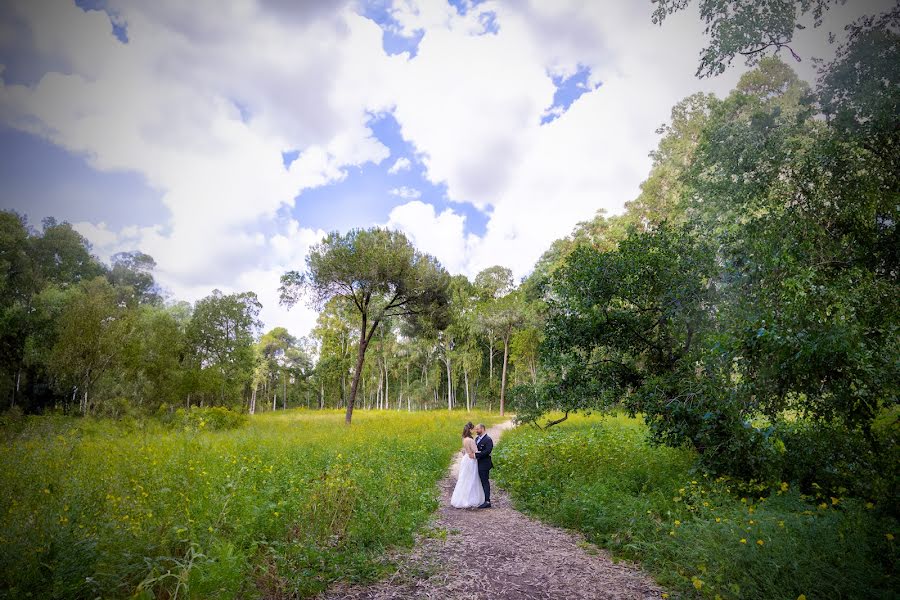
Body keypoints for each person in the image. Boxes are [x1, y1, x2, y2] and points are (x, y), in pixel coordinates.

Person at [451, 422, 485, 509]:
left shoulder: (464, 439)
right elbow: (475, 451)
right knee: (472, 478)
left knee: (464, 478)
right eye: (473, 429)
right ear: (470, 430)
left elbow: (465, 451)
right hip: (471, 460)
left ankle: (461, 498)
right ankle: (471, 499)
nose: (474, 430)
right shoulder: (470, 440)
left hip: (465, 459)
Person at [473, 423, 493, 508]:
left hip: (484, 464)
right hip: (476, 463)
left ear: (483, 429)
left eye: (478, 429)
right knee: (479, 481)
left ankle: (487, 501)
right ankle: (481, 498)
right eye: (476, 429)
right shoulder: (477, 438)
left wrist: (476, 455)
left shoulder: (488, 440)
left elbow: (487, 451)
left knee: (485, 482)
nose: (476, 430)